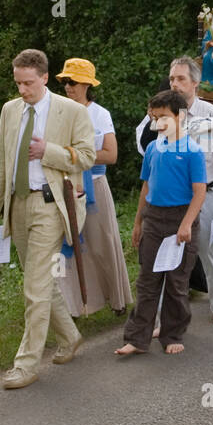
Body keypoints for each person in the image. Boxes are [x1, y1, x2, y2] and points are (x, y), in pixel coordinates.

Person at [0, 49, 95, 389]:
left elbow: (87, 157)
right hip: (17, 205)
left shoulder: (72, 111)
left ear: (45, 78)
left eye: (28, 83)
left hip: (51, 205)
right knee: (41, 283)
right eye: (18, 83)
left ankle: (26, 365)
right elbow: (1, 164)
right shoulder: (9, 111)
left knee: (34, 287)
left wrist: (48, 150)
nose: (22, 90)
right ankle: (70, 336)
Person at [115, 90, 206, 356]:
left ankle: (172, 333)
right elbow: (146, 185)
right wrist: (138, 222)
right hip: (154, 219)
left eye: (164, 117)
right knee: (147, 280)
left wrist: (187, 224)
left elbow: (199, 191)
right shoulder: (154, 148)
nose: (159, 124)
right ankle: (137, 338)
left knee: (177, 283)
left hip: (181, 220)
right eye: (155, 119)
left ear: (180, 116)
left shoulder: (192, 150)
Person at [53, 58, 133, 317]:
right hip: (66, 185)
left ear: (87, 84)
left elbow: (111, 155)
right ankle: (74, 307)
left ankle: (116, 298)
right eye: (65, 82)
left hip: (95, 184)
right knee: (68, 245)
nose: (68, 87)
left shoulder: (100, 114)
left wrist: (78, 155)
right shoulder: (58, 112)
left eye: (73, 82)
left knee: (103, 242)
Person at [169, 55, 213, 324]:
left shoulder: (211, 115)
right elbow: (144, 146)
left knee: (212, 253)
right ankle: (170, 313)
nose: (175, 84)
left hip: (209, 194)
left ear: (195, 83)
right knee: (170, 256)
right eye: (172, 79)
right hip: (173, 197)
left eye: (181, 79)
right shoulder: (163, 111)